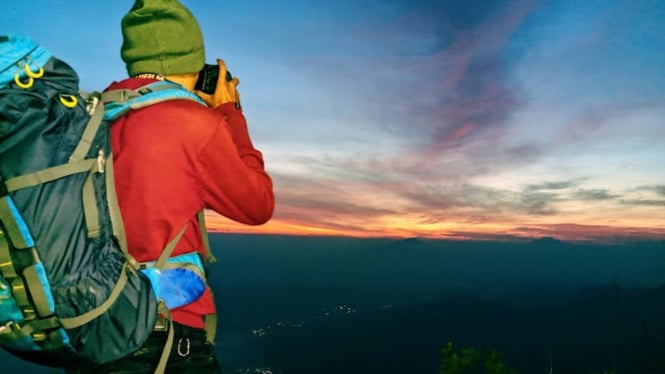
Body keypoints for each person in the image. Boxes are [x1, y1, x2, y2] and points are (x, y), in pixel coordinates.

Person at [67, 0, 274, 372]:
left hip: (91, 330)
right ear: (194, 62)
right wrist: (230, 112)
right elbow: (257, 205)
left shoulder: (91, 117)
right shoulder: (193, 123)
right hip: (161, 340)